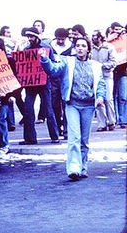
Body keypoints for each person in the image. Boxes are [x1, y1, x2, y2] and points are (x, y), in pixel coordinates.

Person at [40, 36, 106, 180]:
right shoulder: (67, 62)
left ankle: (83, 168)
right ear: (75, 48)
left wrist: (100, 96)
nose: (80, 48)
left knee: (84, 140)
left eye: (83, 46)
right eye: (78, 46)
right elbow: (53, 70)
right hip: (72, 105)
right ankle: (74, 168)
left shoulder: (95, 65)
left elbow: (100, 84)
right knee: (74, 137)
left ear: (88, 49)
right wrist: (45, 59)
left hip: (89, 106)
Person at [19, 27, 60, 145]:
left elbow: (52, 63)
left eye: (31, 36)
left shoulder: (46, 48)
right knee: (28, 111)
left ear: (37, 37)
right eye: (28, 37)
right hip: (30, 84)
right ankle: (30, 138)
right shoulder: (26, 49)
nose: (29, 39)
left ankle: (54, 136)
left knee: (48, 110)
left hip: (44, 83)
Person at [49, 27, 73, 138]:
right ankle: (58, 128)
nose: (60, 41)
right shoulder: (50, 46)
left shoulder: (71, 47)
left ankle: (67, 130)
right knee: (54, 105)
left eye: (62, 39)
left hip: (65, 78)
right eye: (58, 39)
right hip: (53, 78)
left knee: (66, 103)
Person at [91, 30, 116, 131]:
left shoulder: (109, 47)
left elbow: (114, 62)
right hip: (95, 76)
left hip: (106, 75)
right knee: (98, 99)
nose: (93, 38)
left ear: (100, 37)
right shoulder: (91, 48)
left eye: (95, 36)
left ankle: (111, 121)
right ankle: (102, 124)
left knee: (108, 99)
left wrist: (103, 66)